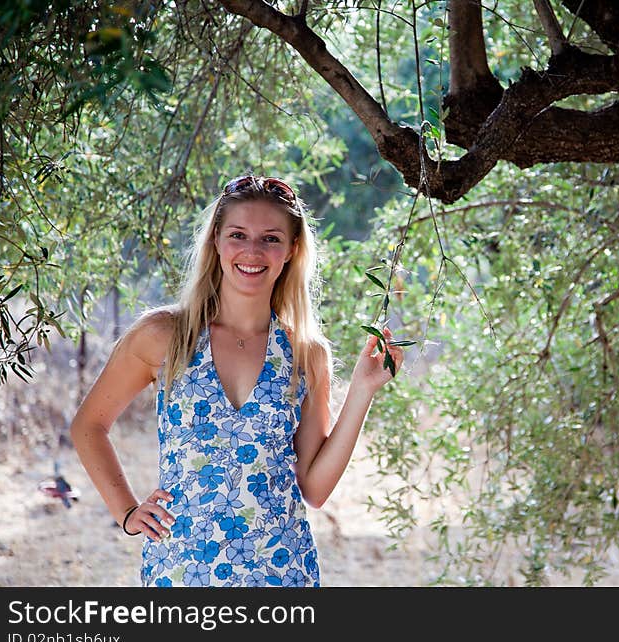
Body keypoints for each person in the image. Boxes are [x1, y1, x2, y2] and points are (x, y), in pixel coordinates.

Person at [70, 174, 404, 587]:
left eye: (270, 239)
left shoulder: (304, 353)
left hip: (282, 570)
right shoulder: (165, 335)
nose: (252, 251)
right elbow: (89, 425)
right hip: (181, 568)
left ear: (291, 251)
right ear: (215, 240)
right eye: (238, 235)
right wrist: (126, 512)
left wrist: (362, 390)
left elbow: (314, 489)